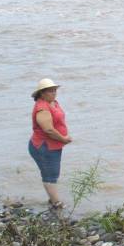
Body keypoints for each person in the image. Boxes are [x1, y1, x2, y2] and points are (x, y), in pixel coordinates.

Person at [28, 78, 72, 209]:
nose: (54, 93)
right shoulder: (42, 107)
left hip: (53, 146)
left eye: (55, 90)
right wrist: (64, 139)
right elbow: (48, 129)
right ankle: (57, 204)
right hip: (43, 146)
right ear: (41, 93)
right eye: (50, 91)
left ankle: (52, 200)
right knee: (50, 175)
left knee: (53, 173)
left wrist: (63, 138)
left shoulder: (53, 103)